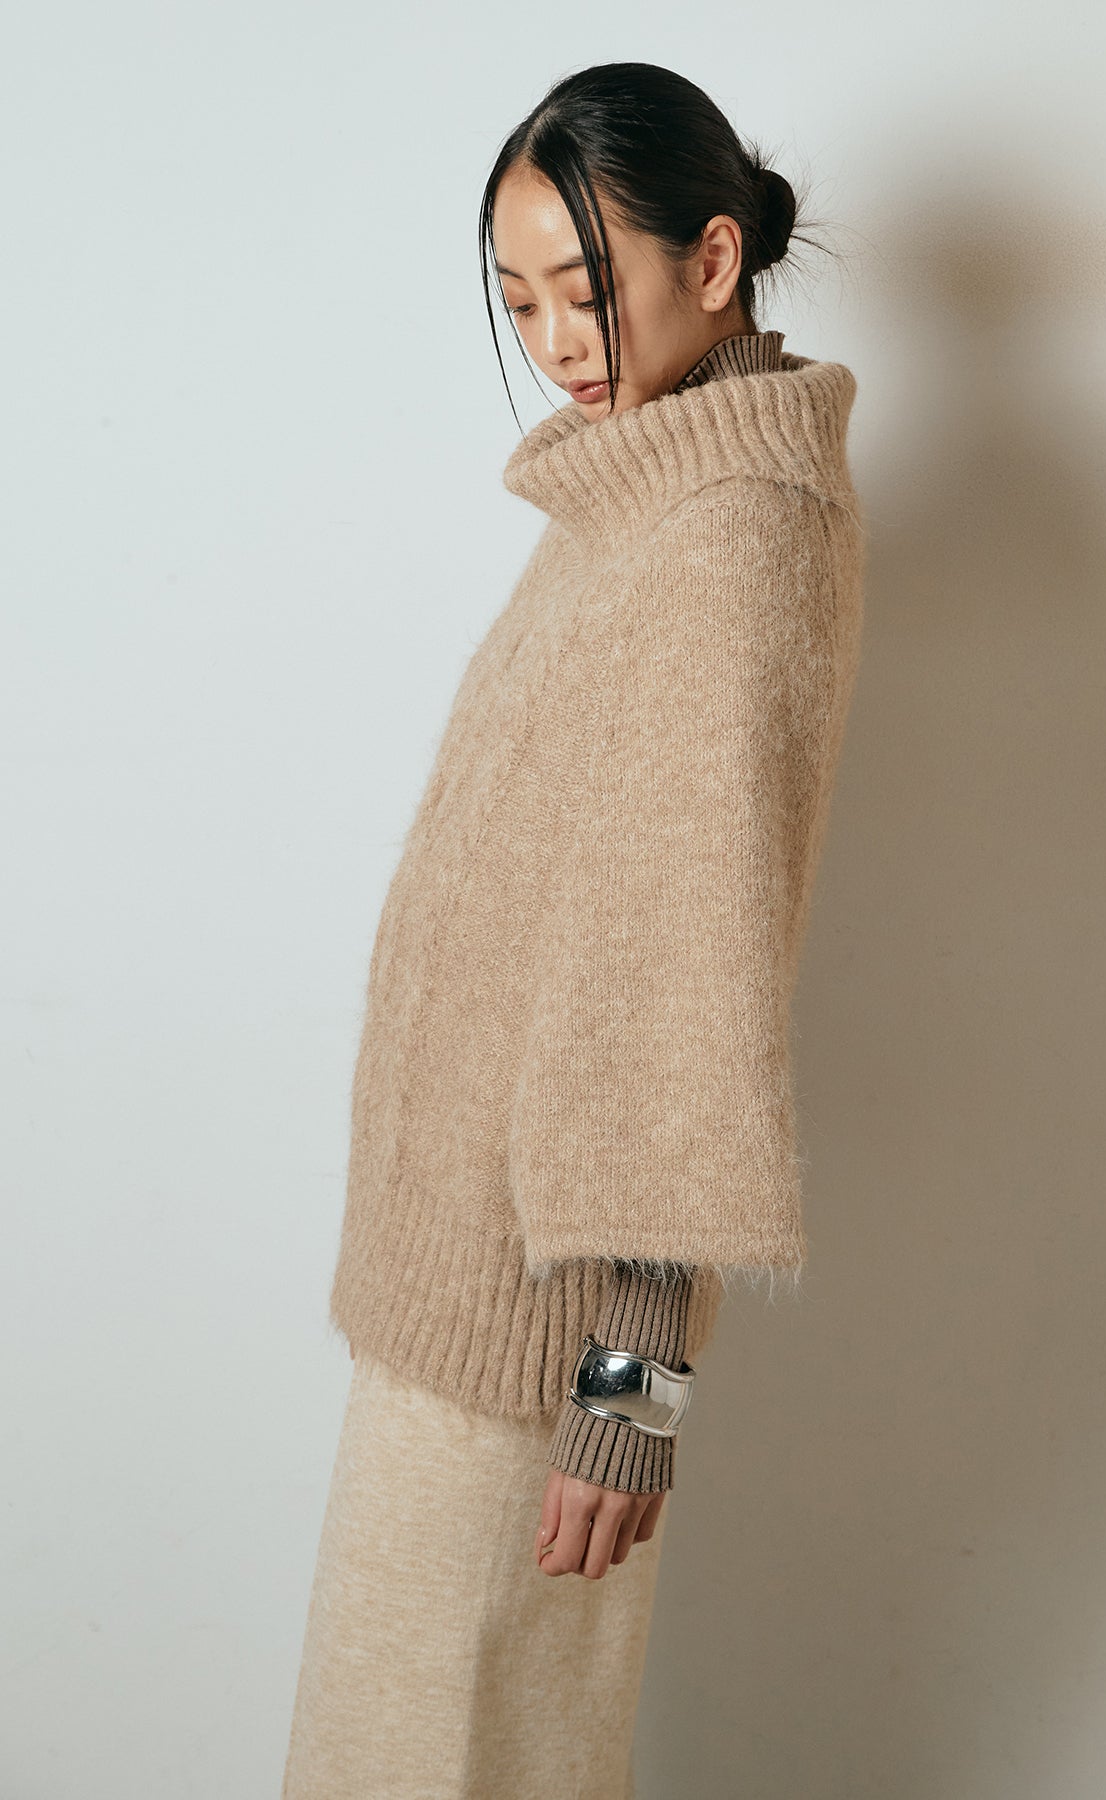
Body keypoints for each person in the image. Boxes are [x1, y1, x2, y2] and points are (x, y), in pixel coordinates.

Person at [281, 59, 866, 1800]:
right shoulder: (642, 491)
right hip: (458, 1283)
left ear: (713, 258)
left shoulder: (732, 534)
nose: (553, 340)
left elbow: (684, 978)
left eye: (584, 290)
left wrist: (628, 1392)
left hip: (545, 1338)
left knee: (448, 1764)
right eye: (518, 297)